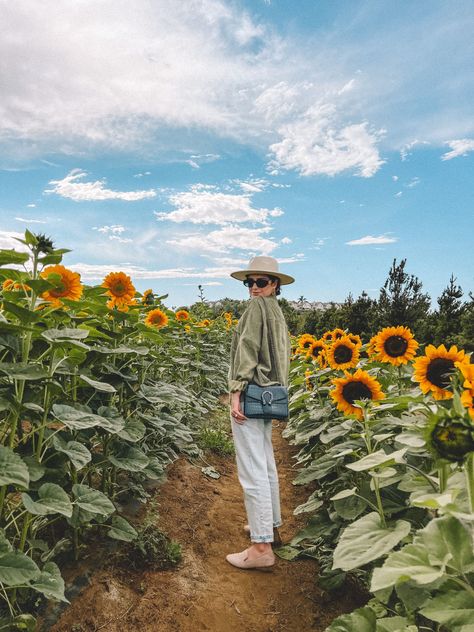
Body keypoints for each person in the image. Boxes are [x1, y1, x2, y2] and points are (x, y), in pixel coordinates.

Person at [226, 255, 294, 570]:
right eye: (249, 282)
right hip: (270, 396)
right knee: (265, 464)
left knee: (252, 471)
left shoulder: (256, 309)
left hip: (252, 394)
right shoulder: (277, 313)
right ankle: (270, 528)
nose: (254, 288)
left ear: (275, 284)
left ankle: (260, 547)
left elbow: (248, 350)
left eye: (261, 282)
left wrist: (236, 392)